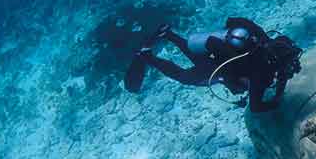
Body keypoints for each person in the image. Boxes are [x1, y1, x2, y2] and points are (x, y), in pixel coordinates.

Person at [124, 17, 302, 113]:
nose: (292, 68)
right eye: (290, 64)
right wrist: (277, 102)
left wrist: (280, 86)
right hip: (220, 68)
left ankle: (168, 34)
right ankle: (148, 56)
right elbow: (255, 108)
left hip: (220, 55)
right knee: (185, 77)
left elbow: (236, 22)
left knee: (197, 57)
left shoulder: (264, 42)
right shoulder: (260, 76)